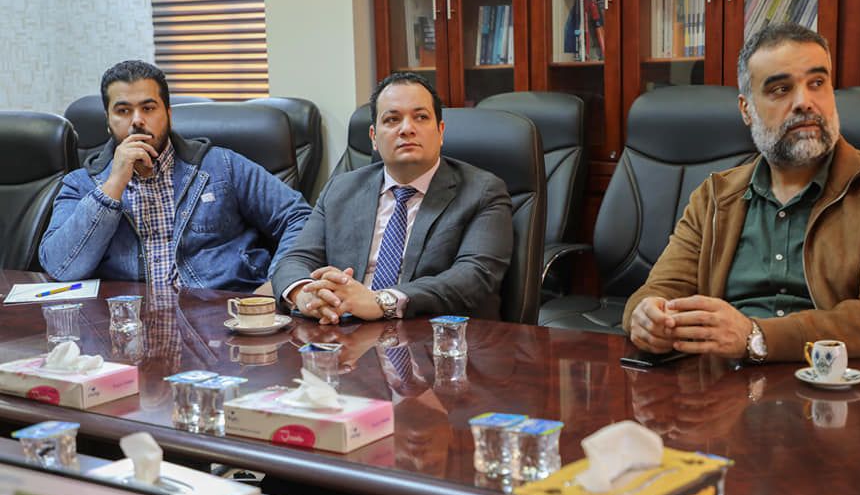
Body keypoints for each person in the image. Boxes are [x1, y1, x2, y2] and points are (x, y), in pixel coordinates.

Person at [624, 23, 860, 372]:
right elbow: (659, 291)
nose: (804, 103)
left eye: (817, 83)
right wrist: (646, 318)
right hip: (735, 387)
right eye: (781, 89)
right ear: (746, 110)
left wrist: (755, 337)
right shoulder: (715, 196)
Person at [40, 60, 311, 292]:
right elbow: (61, 268)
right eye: (123, 111)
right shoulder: (80, 184)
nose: (137, 120)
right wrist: (113, 185)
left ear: (168, 114)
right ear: (108, 121)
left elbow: (298, 217)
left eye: (148, 108)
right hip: (130, 324)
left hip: (219, 316)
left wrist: (278, 282)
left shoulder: (221, 166)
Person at [272, 72, 513, 323]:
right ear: (374, 138)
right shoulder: (341, 189)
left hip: (430, 334)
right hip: (342, 330)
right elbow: (296, 259)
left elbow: (475, 275)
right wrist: (306, 295)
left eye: (421, 117)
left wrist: (382, 301)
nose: (407, 129)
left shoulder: (482, 191)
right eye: (392, 119)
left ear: (440, 132)